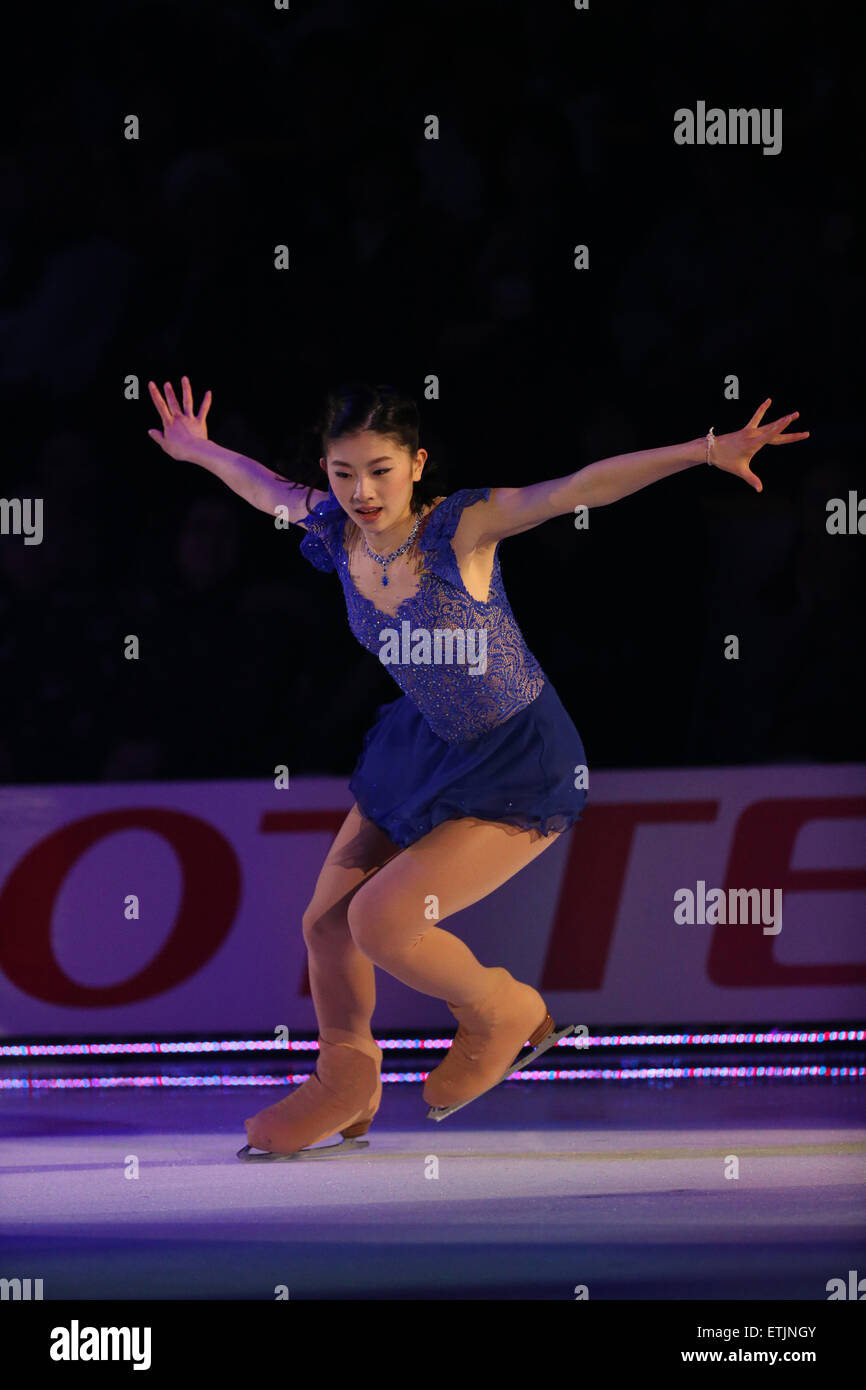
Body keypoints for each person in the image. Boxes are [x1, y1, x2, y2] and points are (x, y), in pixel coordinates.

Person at [147, 376, 808, 1154]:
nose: (362, 492)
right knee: (324, 926)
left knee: (380, 922)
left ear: (417, 463)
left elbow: (578, 488)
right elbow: (266, 489)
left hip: (515, 759)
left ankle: (503, 1011)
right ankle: (346, 1078)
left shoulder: (461, 528)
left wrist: (704, 451)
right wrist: (199, 450)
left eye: (381, 470)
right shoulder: (333, 529)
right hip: (424, 746)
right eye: (344, 472)